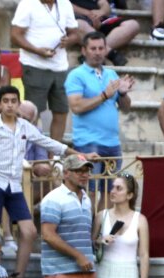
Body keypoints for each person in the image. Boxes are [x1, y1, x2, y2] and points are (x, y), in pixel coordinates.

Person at [0, 86, 92, 278]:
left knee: (30, 232)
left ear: (18, 103)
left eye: (13, 101)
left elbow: (48, 142)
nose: (10, 105)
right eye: (6, 101)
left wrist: (80, 155)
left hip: (14, 184)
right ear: (0, 103)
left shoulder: (25, 127)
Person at [41, 153, 100, 278]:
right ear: (66, 173)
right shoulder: (53, 199)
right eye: (79, 171)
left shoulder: (86, 199)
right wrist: (78, 255)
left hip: (85, 272)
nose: (84, 175)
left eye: (87, 171)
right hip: (61, 272)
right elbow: (48, 235)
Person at [66, 32, 135, 176]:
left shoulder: (111, 74)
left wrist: (123, 94)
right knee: (90, 191)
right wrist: (104, 96)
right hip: (88, 143)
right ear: (83, 51)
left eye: (101, 48)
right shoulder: (76, 75)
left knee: (112, 194)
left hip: (113, 143)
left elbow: (126, 108)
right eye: (93, 48)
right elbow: (76, 107)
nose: (97, 52)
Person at [11, 0, 79, 141]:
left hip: (60, 66)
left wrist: (69, 40)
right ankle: (33, 155)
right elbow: (15, 35)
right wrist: (37, 50)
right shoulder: (27, 3)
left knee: (61, 111)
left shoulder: (65, 3)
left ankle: (54, 157)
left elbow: (75, 33)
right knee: (32, 113)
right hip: (34, 65)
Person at [71, 0, 139, 65]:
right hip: (80, 19)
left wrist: (101, 12)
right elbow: (66, 5)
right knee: (76, 24)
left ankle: (94, 53)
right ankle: (111, 54)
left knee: (133, 25)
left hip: (102, 21)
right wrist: (89, 14)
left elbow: (105, 6)